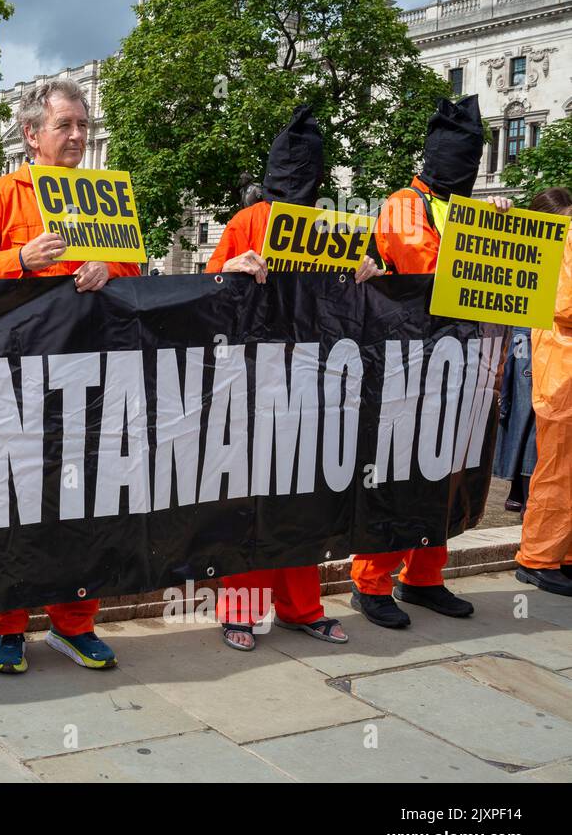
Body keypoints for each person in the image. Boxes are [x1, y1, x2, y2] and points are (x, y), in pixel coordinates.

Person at [0, 77, 139, 674]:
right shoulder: (0, 195)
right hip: (13, 382)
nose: (79, 135)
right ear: (31, 135)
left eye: (83, 124)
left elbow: (136, 275)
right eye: (66, 125)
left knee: (85, 504)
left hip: (90, 380)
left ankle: (75, 623)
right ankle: (7, 624)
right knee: (10, 502)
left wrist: (110, 266)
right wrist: (19, 260)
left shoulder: (106, 194)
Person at [206, 105, 381, 650]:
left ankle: (302, 607)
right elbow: (208, 291)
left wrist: (370, 272)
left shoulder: (339, 227)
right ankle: (241, 609)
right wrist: (229, 270)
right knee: (251, 497)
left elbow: (367, 301)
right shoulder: (246, 222)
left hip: (316, 384)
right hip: (255, 384)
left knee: (303, 495)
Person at [350, 94, 513, 628]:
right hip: (409, 362)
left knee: (449, 472)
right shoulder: (403, 203)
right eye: (460, 158)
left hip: (464, 363)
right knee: (401, 472)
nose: (466, 170)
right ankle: (370, 582)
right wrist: (486, 238)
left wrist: (497, 230)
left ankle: (424, 577)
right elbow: (433, 270)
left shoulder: (462, 208)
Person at [515, 187, 572, 595]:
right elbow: (565, 305)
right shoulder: (554, 245)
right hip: (560, 375)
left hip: (562, 370)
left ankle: (559, 554)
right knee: (557, 470)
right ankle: (538, 557)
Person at [492, 325, 537, 511]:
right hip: (542, 329)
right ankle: (526, 495)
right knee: (535, 413)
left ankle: (519, 492)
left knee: (524, 409)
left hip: (527, 327)